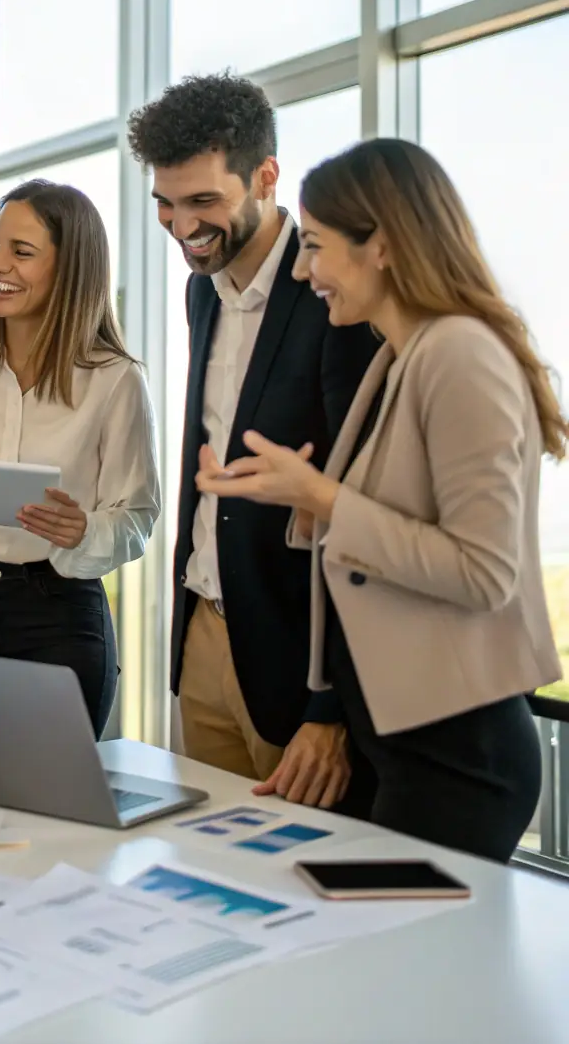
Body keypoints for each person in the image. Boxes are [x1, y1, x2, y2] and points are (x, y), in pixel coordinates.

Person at [197, 138, 564, 862]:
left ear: (384, 247)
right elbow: (396, 525)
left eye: (318, 247)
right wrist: (297, 499)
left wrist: (327, 498)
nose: (304, 271)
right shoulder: (400, 356)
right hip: (402, 740)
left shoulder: (460, 353)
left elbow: (483, 571)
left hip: (458, 754)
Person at [126, 71, 379, 808]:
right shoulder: (200, 287)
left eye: (203, 201)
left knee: (298, 890)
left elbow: (359, 511)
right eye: (165, 205)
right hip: (205, 627)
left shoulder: (336, 291)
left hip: (297, 655)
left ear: (266, 176)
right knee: (210, 873)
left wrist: (329, 705)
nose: (180, 226)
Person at [0, 179, 160, 738]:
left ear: (71, 268)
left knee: (56, 815)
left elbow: (138, 520)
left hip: (64, 619)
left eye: (21, 252)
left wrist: (83, 530)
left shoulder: (116, 379)